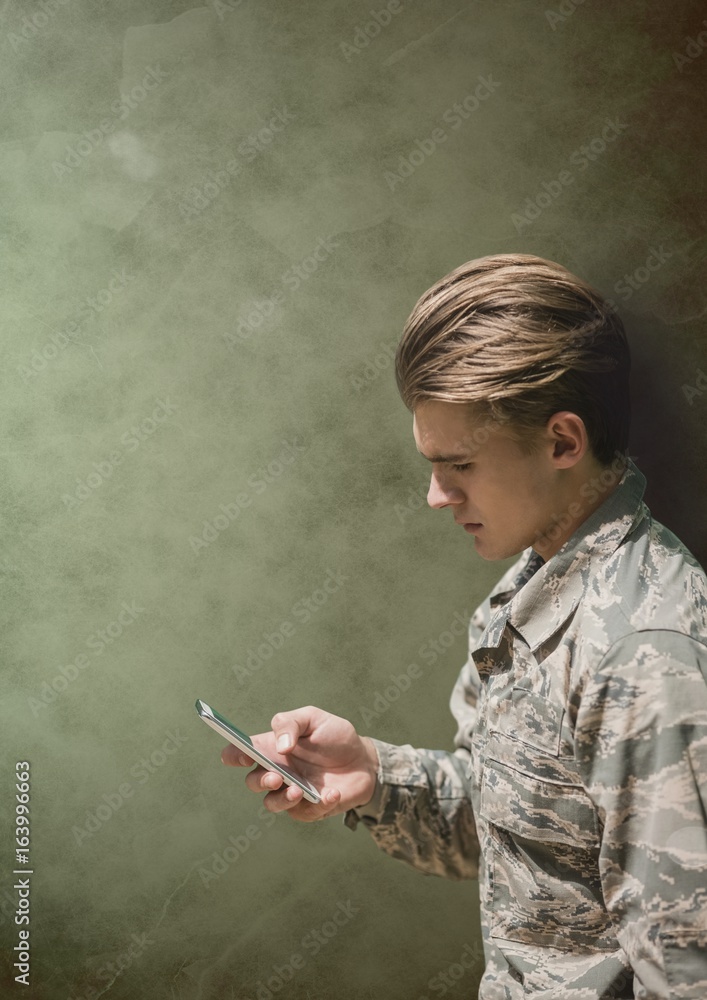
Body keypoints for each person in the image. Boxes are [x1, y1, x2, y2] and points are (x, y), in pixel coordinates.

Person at [221, 253, 707, 999]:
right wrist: (375, 778)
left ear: (562, 442)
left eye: (459, 466)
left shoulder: (642, 652)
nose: (435, 496)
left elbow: (686, 967)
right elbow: (522, 838)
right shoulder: (534, 587)